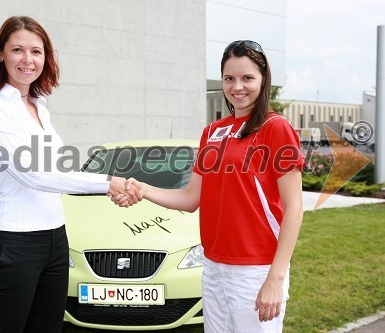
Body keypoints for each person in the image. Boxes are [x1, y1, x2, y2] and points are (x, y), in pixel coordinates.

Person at [115, 40, 304, 332]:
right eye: (229, 78)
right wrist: (144, 189)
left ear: (264, 80)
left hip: (255, 269)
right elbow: (192, 198)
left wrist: (275, 278)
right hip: (214, 266)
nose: (237, 86)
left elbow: (294, 208)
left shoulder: (275, 127)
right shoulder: (213, 132)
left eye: (247, 78)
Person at [0, 16, 140, 333]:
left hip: (55, 239)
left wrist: (108, 185)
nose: (28, 60)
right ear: (0, 53)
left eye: (36, 51)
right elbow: (33, 175)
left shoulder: (39, 106)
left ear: (46, 57)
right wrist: (107, 184)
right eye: (18, 49)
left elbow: (58, 172)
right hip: (13, 243)